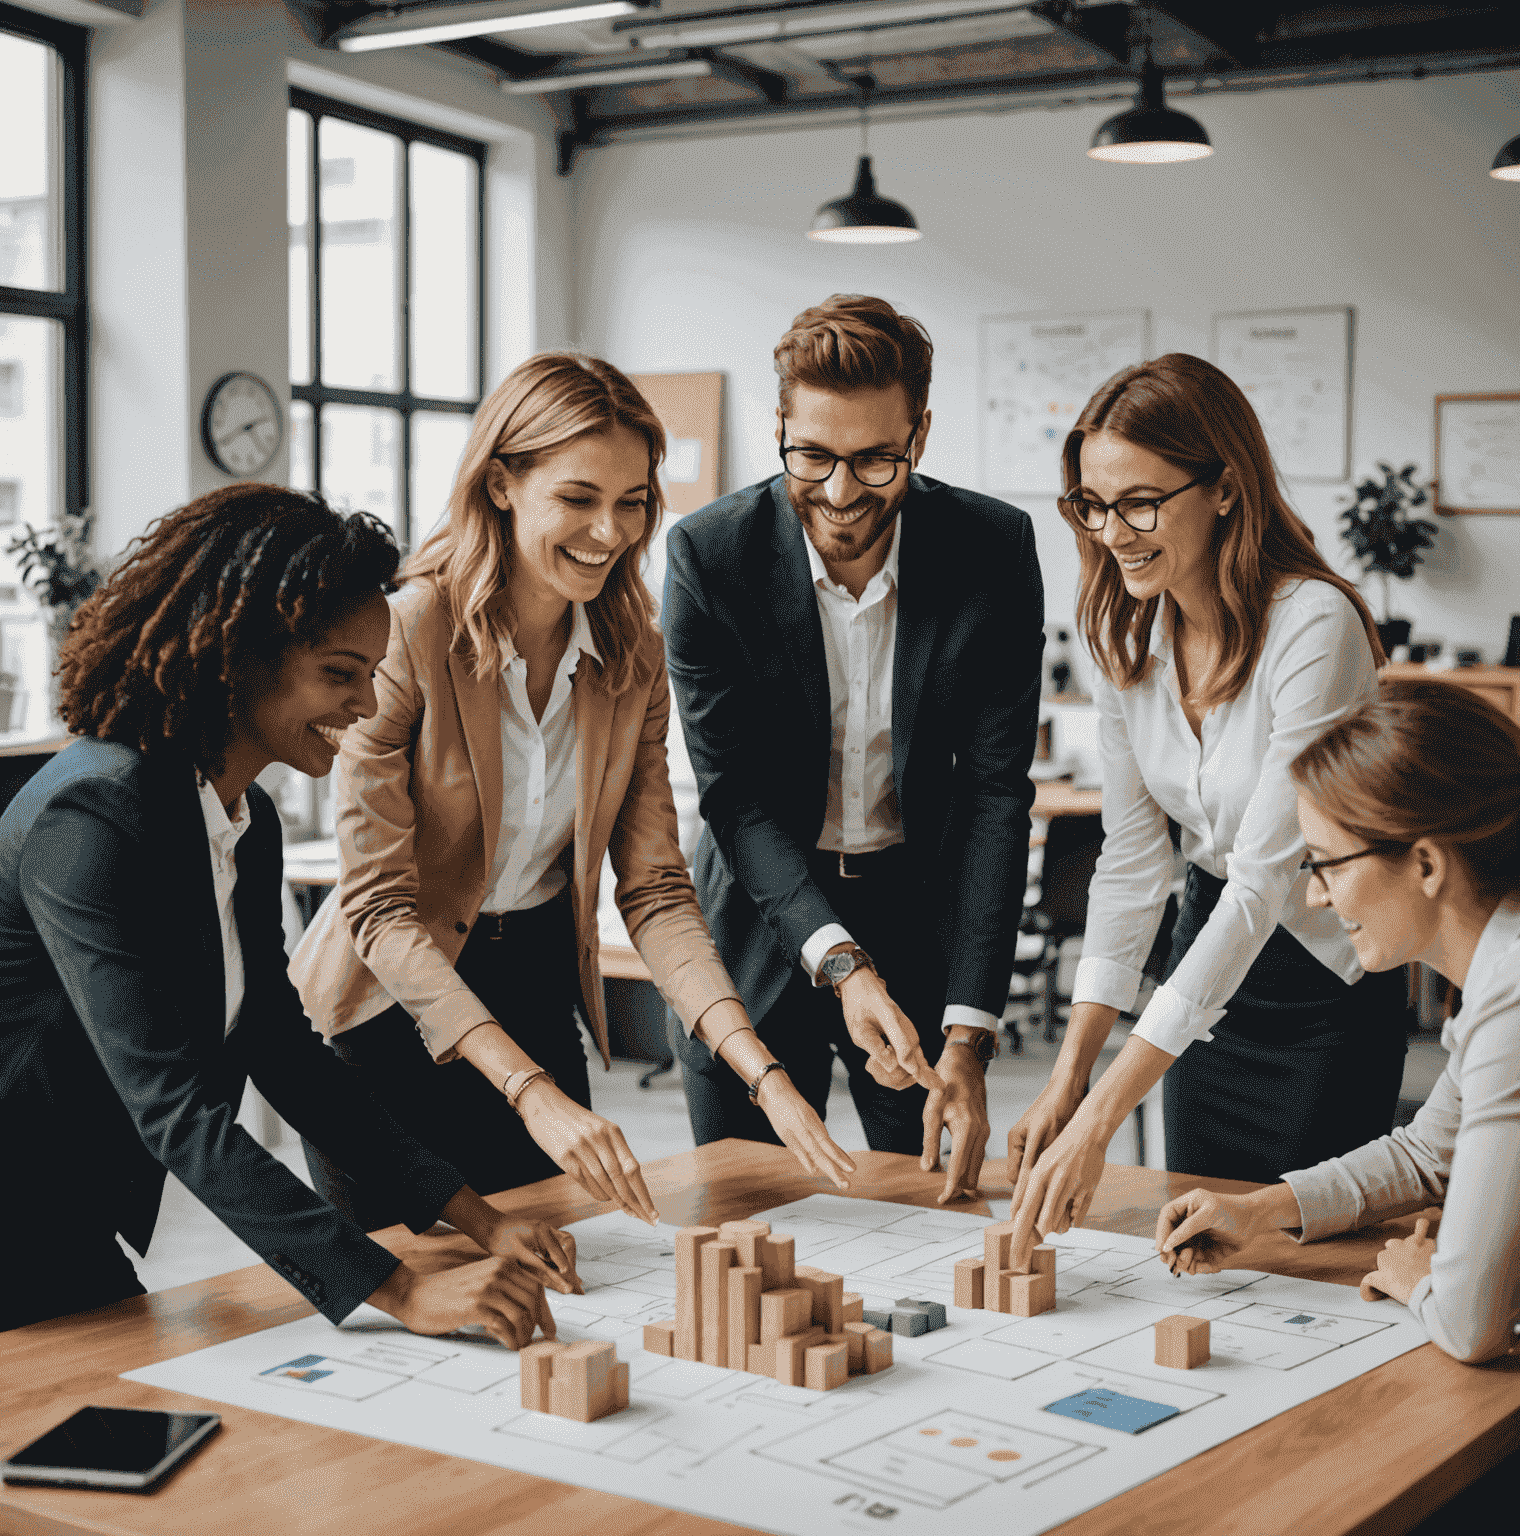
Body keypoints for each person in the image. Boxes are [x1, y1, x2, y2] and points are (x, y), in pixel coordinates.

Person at [291, 353, 854, 1232]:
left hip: (532, 985)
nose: (611, 530)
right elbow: (379, 909)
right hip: (390, 1006)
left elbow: (658, 891)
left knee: (555, 1267)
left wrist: (764, 1075)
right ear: (504, 483)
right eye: (579, 498)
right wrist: (529, 1093)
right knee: (419, 1290)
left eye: (633, 502)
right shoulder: (409, 632)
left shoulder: (634, 654)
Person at [0, 485, 573, 1341]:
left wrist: (480, 1218)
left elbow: (283, 1047)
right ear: (237, 657)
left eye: (372, 674)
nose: (368, 705)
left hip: (61, 1204)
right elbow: (177, 1110)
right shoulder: (92, 817)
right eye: (340, 675)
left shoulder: (240, 815)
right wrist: (403, 1292)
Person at [1008, 352, 1410, 1256]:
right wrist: (1070, 1075)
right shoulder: (1126, 633)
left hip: (1321, 985)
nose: (1115, 532)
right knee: (1198, 1250)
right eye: (1094, 505)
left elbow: (1266, 882)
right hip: (1203, 978)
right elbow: (1133, 863)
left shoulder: (1314, 627)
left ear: (1225, 488)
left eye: (1142, 502)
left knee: (1305, 1260)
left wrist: (1105, 1112)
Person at [662, 294, 1045, 1203]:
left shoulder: (993, 547)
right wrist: (839, 961)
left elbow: (998, 794)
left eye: (877, 460)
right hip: (758, 920)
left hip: (916, 917)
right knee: (746, 1224)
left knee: (925, 1206)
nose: (840, 493)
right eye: (814, 457)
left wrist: (969, 1033)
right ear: (781, 426)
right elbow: (736, 797)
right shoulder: (708, 556)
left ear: (920, 433)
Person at [1156, 679, 1520, 1366]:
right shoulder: (1510, 963)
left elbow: (1472, 1322)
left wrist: (1418, 1278)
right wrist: (1263, 1209)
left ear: (1425, 863)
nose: (1315, 893)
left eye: (1328, 864)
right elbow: (1430, 1153)